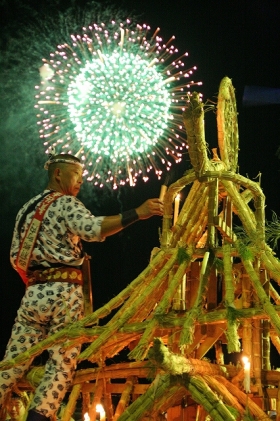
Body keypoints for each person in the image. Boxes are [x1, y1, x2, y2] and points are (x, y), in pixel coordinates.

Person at [0, 153, 164, 421]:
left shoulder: (26, 209)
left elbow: (15, 256)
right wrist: (139, 213)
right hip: (64, 294)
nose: (80, 180)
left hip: (33, 295)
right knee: (61, 364)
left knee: (12, 363)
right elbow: (93, 229)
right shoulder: (65, 204)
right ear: (57, 174)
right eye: (76, 174)